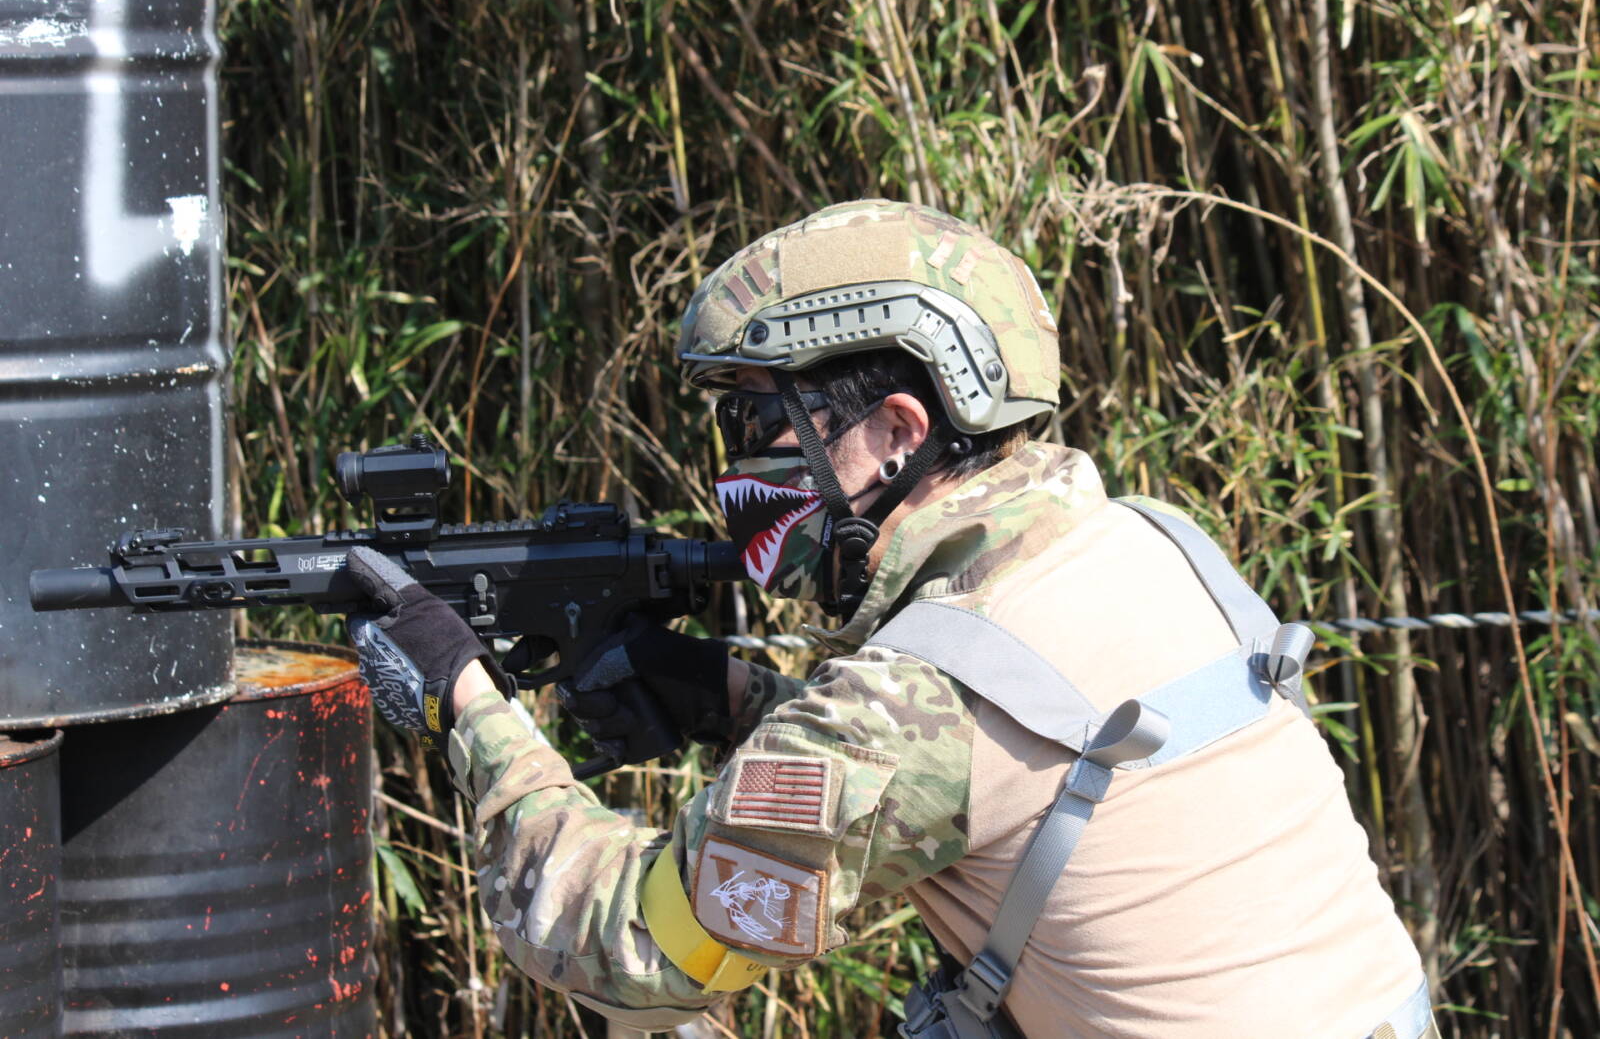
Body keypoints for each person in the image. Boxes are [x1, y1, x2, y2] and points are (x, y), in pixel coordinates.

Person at [345, 200, 1434, 1037]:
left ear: (898, 430)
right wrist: (727, 697)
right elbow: (986, 767)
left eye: (755, 421)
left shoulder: (915, 699)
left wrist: (463, 696)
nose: (735, 465)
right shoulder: (1148, 544)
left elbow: (634, 942)